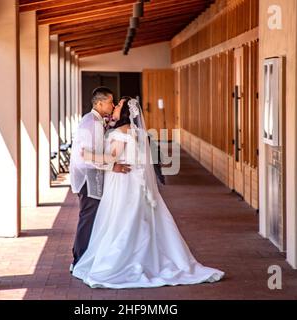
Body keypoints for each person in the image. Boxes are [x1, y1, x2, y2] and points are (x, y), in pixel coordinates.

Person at [71, 97, 224, 289]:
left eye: (118, 105)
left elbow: (112, 156)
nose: (115, 107)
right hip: (134, 181)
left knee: (121, 219)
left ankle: (125, 260)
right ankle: (146, 255)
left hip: (123, 183)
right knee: (137, 218)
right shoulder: (139, 132)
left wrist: (87, 155)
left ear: (124, 111)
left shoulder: (121, 131)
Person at [69, 87, 131, 272]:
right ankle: (79, 260)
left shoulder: (95, 120)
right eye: (111, 102)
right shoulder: (92, 123)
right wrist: (114, 167)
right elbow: (90, 156)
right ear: (99, 103)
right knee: (88, 218)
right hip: (89, 176)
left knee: (92, 217)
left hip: (91, 175)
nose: (113, 105)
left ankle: (83, 257)